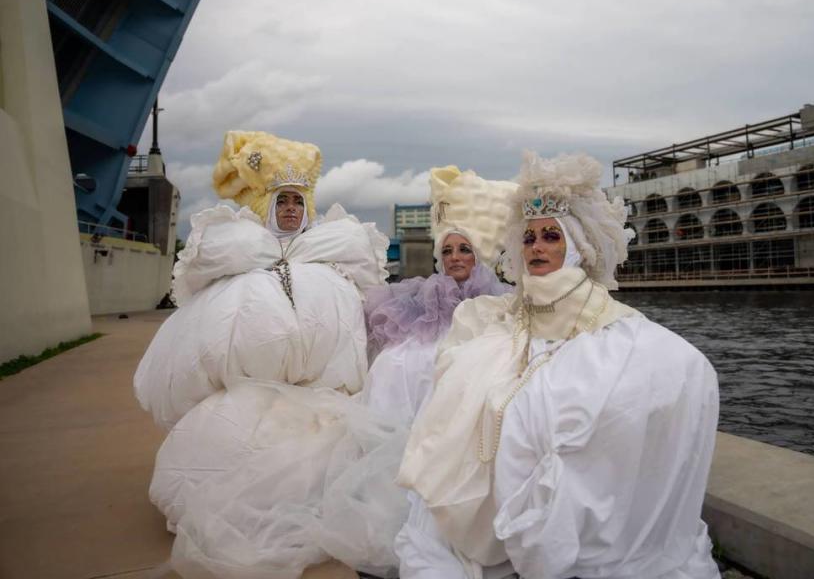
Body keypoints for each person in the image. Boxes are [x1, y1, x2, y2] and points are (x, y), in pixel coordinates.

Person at [396, 151, 721, 579]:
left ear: (576, 246)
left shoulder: (600, 313)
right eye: (529, 238)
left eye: (551, 236)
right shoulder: (506, 311)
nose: (537, 248)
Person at [133, 131, 399, 578]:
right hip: (249, 390)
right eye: (283, 202)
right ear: (269, 208)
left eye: (298, 202)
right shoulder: (241, 250)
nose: (292, 209)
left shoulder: (328, 252)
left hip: (321, 392)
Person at [362, 166, 515, 425]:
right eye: (447, 251)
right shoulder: (427, 293)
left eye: (464, 249)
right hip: (429, 350)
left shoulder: (497, 297)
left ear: (477, 255)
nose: (454, 257)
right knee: (395, 363)